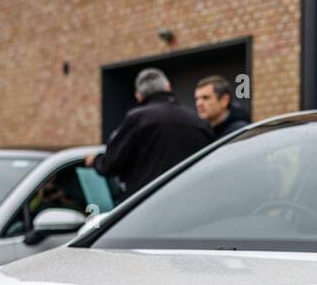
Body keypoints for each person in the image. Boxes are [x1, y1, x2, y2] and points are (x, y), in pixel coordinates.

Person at [86, 68, 211, 200]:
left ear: (138, 95)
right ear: (168, 87)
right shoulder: (198, 122)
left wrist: (95, 161)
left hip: (146, 206)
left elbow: (110, 164)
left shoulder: (137, 119)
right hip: (191, 202)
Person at [194, 75, 251, 140]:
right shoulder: (204, 131)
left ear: (224, 100)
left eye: (205, 98)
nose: (198, 104)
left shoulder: (240, 133)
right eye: (197, 99)